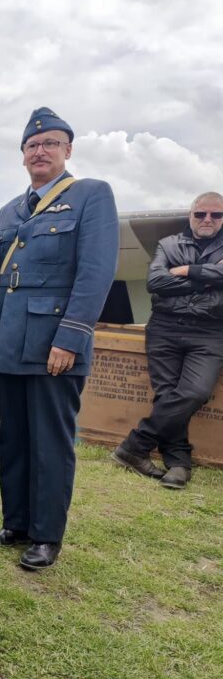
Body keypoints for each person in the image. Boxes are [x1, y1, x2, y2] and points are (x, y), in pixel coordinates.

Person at [0, 108, 119, 570]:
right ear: (23, 156)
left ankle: (45, 535)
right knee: (13, 438)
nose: (40, 151)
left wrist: (72, 336)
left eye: (50, 144)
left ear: (67, 151)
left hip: (52, 345)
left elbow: (95, 273)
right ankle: (16, 522)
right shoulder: (9, 210)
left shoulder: (90, 196)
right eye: (32, 146)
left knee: (50, 441)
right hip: (7, 344)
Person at [112, 192, 223, 489]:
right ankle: (178, 463)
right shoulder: (168, 244)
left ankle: (135, 445)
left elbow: (170, 280)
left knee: (194, 392)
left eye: (216, 215)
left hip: (210, 332)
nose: (207, 220)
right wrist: (212, 277)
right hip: (165, 327)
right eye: (201, 214)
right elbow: (156, 282)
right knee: (167, 395)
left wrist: (187, 270)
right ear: (191, 215)